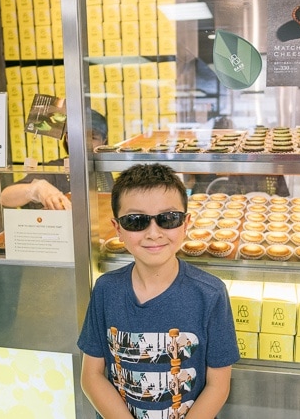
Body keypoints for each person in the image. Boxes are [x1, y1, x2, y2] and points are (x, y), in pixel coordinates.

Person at [77, 163, 239, 419]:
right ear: (117, 228)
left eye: (168, 218)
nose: (153, 233)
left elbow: (218, 385)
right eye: (135, 221)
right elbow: (91, 376)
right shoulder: (106, 290)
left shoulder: (210, 294)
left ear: (186, 223)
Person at [0, 109, 111, 209]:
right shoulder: (55, 169)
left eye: (93, 137)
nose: (86, 143)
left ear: (103, 141)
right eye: (80, 136)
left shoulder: (102, 169)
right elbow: (4, 197)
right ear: (67, 138)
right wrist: (36, 188)